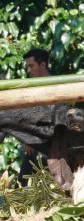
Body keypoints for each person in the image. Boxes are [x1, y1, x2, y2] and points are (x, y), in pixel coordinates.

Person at [18, 48, 50, 186]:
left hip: (51, 149)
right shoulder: (31, 86)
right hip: (34, 150)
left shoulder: (56, 86)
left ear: (42, 65)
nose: (28, 70)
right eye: (27, 66)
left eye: (31, 66)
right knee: (22, 186)